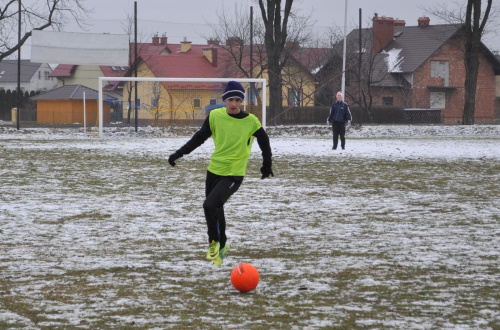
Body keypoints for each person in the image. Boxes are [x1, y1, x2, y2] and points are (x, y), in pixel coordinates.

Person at [168, 80, 273, 266]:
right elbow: (199, 138)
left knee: (209, 205)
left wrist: (266, 165)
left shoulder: (251, 121)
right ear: (225, 100)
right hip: (214, 170)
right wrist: (179, 153)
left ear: (241, 101)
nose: (234, 103)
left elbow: (264, 142)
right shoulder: (215, 116)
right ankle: (222, 245)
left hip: (234, 174)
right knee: (217, 208)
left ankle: (213, 242)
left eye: (237, 100)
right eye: (230, 99)